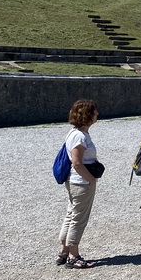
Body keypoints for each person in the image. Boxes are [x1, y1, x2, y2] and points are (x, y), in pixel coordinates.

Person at [57, 99, 101, 269]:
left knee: (71, 215)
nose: (97, 114)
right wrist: (90, 179)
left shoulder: (74, 133)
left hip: (74, 181)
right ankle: (73, 255)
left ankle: (64, 251)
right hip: (81, 182)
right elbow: (76, 162)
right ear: (87, 115)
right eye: (94, 112)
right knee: (78, 218)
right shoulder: (80, 136)